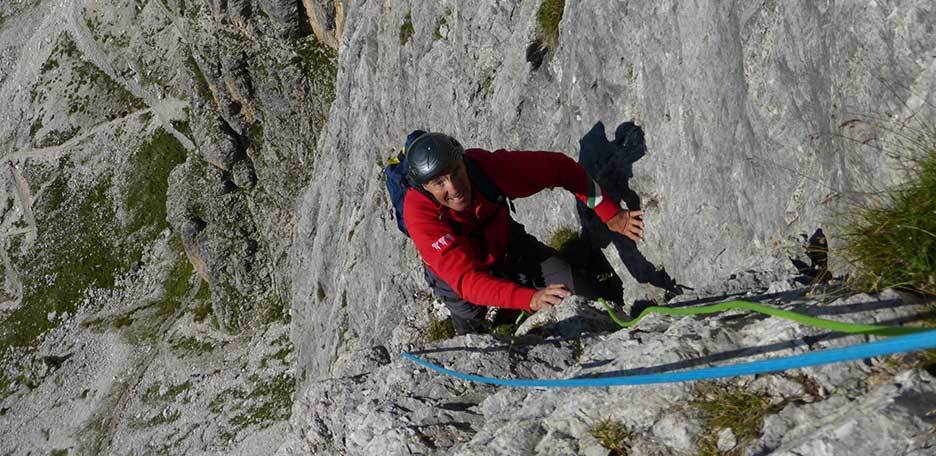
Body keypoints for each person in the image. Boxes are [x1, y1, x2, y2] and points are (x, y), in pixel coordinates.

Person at [403, 132, 644, 334]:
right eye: (439, 183)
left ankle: (510, 293)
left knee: (585, 298)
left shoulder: (487, 170)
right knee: (472, 316)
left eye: (455, 172)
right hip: (459, 275)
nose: (454, 188)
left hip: (507, 246)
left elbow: (561, 168)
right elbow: (467, 281)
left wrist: (611, 214)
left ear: (463, 162)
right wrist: (529, 299)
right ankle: (473, 328)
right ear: (424, 186)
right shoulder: (419, 214)